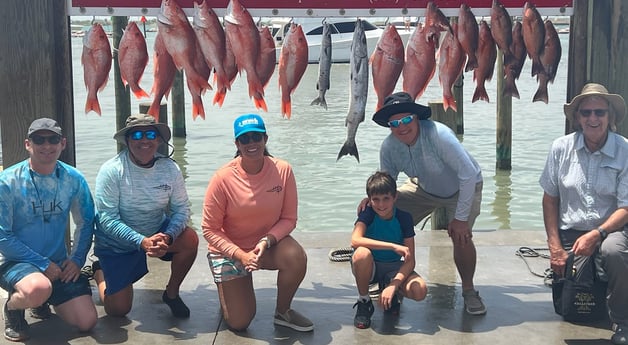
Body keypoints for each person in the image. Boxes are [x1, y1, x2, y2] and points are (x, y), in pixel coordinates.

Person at [365, 91, 486, 315]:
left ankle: (469, 291)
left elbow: (468, 174)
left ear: (416, 117)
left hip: (463, 187)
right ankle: (389, 279)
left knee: (461, 236)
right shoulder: (389, 147)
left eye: (406, 119)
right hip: (423, 188)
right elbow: (386, 186)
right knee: (378, 214)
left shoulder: (440, 135)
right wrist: (371, 201)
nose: (402, 127)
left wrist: (460, 219)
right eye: (395, 123)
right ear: (389, 126)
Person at [201, 113, 313, 332]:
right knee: (239, 322)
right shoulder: (222, 178)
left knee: (295, 255)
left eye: (256, 137)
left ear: (265, 139)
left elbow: (289, 219)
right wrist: (241, 255)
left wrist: (266, 241)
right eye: (245, 139)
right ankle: (228, 288)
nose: (251, 143)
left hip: (265, 247)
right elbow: (209, 229)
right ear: (237, 143)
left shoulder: (283, 170)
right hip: (229, 251)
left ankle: (283, 311)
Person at [539, 83, 628, 345]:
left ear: (610, 117)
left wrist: (597, 234)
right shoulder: (560, 148)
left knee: (613, 252)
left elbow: (625, 206)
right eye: (586, 112)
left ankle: (622, 321)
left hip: (612, 230)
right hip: (571, 231)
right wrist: (554, 246)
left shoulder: (625, 150)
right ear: (577, 117)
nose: (593, 118)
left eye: (599, 112)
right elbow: (550, 199)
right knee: (571, 309)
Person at [92, 114, 198, 318]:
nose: (144, 140)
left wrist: (168, 236)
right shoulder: (111, 171)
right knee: (118, 310)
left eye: (150, 134)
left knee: (190, 239)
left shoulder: (170, 168)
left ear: (159, 139)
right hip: (117, 243)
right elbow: (106, 220)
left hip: (156, 232)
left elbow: (182, 209)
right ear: (127, 140)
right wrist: (141, 241)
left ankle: (172, 293)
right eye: (137, 134)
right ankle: (99, 272)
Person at [0, 118, 97, 341]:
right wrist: (42, 264)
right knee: (37, 288)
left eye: (53, 139)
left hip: (58, 263)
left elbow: (85, 221)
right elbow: (2, 235)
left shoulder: (73, 178)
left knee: (86, 322)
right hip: (14, 262)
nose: (46, 146)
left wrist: (77, 259)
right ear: (27, 144)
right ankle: (15, 307)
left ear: (63, 143)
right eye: (39, 140)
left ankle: (42, 300)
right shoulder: (7, 182)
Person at [351, 171, 427, 329]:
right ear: (369, 200)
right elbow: (355, 240)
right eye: (376, 200)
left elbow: (410, 260)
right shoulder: (368, 213)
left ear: (395, 197)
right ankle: (364, 301)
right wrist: (392, 246)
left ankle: (392, 292)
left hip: (393, 266)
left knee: (420, 290)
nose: (381, 205)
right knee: (361, 254)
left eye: (386, 198)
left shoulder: (404, 218)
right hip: (369, 266)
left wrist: (394, 284)